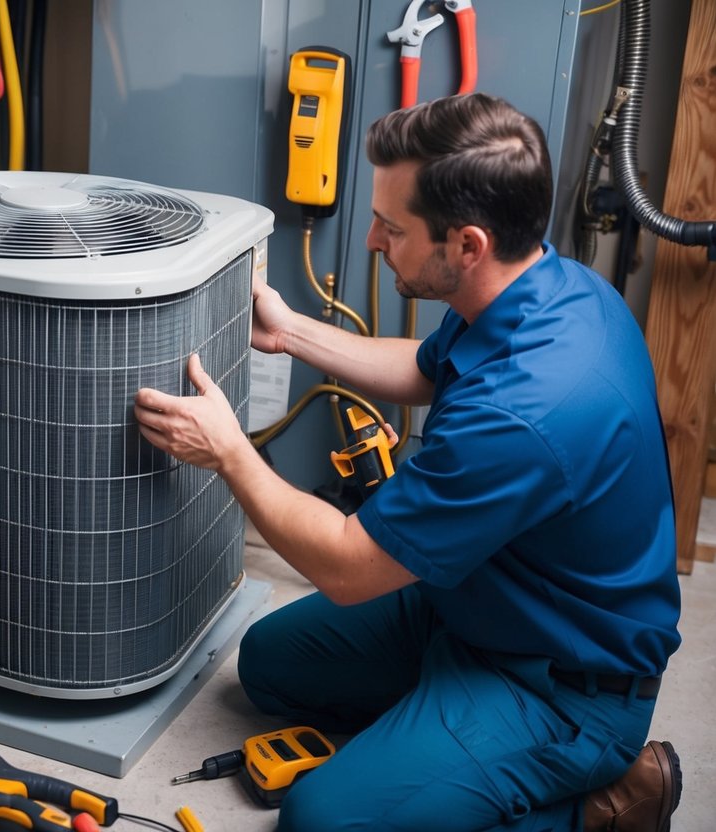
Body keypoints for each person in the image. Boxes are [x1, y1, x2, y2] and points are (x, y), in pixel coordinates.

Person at [134, 93, 683, 831]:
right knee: (266, 665)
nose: (367, 240)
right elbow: (425, 369)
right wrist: (294, 332)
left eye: (390, 228)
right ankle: (434, 748)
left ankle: (601, 803)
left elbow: (345, 564)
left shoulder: (527, 410)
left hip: (557, 681)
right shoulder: (547, 288)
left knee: (320, 821)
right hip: (472, 601)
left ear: (466, 246)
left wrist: (228, 451)